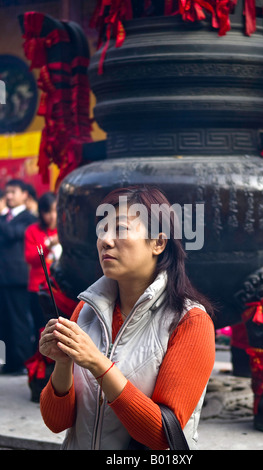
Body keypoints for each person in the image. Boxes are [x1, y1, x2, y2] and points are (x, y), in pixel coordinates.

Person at [39, 185, 215, 450]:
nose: (106, 240)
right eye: (102, 230)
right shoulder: (86, 310)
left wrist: (99, 365)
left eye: (120, 229)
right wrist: (62, 364)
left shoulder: (189, 322)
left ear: (158, 242)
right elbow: (56, 422)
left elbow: (161, 436)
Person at [0, 179, 37, 374]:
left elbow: (14, 234)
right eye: (7, 192)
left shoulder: (28, 218)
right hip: (2, 279)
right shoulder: (4, 218)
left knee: (19, 322)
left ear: (25, 195)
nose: (9, 196)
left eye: (13, 192)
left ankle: (24, 362)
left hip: (17, 278)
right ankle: (9, 363)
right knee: (3, 323)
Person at [24, 191, 61, 345]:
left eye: (55, 211)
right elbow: (31, 258)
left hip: (60, 287)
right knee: (41, 327)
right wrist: (48, 246)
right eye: (48, 212)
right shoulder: (33, 231)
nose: (52, 216)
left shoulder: (64, 229)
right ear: (41, 213)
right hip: (39, 287)